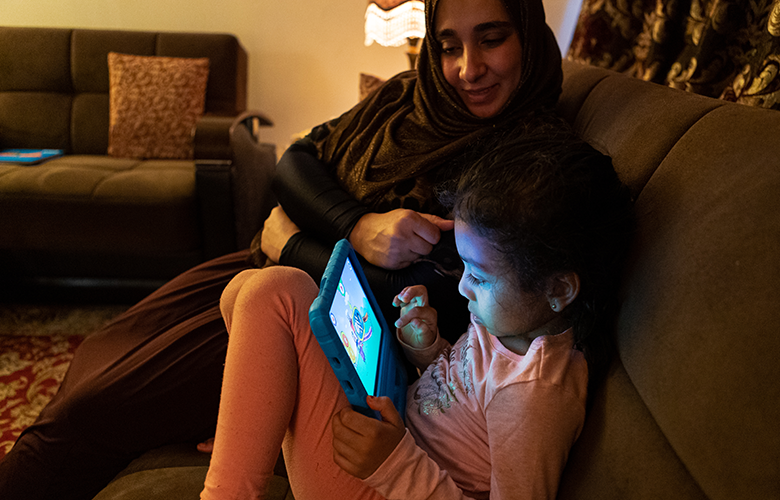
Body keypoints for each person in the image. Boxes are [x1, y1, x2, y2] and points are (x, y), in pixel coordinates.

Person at [0, 0, 564, 497]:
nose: (468, 68)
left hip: (316, 313)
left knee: (86, 413)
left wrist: (294, 240)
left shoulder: (517, 175)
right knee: (97, 354)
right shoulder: (409, 98)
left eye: (493, 38)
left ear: (530, 36)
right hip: (270, 265)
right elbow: (298, 160)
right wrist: (357, 224)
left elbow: (408, 299)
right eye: (447, 46)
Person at [200, 124, 635, 499]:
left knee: (277, 290)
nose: (463, 286)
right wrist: (430, 350)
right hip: (393, 435)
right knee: (241, 290)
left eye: (480, 277)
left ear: (558, 288)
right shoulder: (510, 323)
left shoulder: (533, 396)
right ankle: (247, 439)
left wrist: (392, 462)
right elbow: (462, 399)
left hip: (384, 482)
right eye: (464, 266)